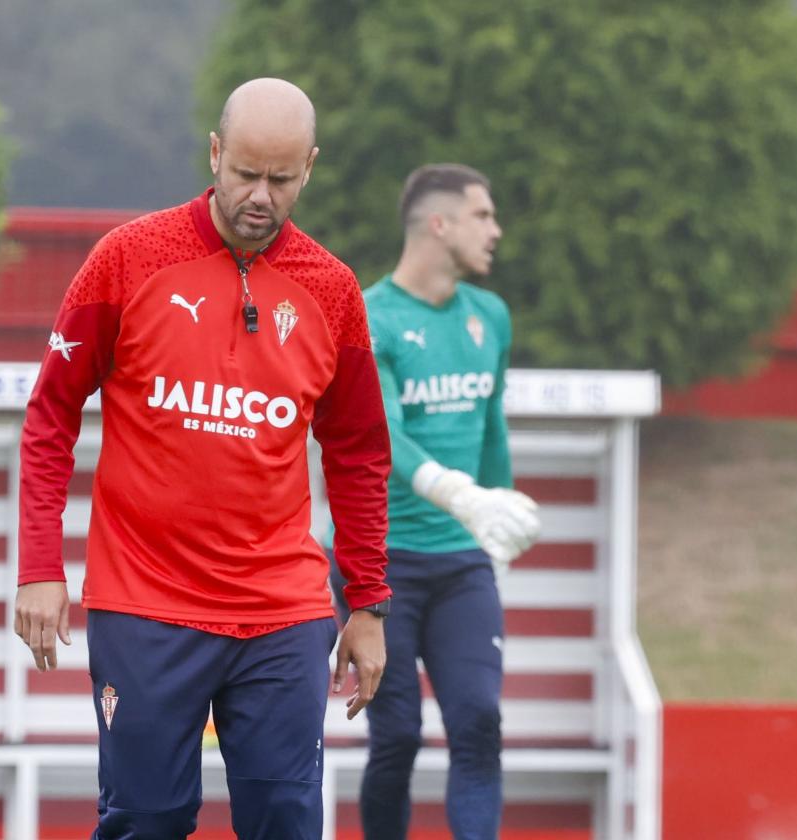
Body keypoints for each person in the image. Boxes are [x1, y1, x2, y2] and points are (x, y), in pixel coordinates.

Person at [15, 77, 393, 840]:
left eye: (281, 180)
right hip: (145, 604)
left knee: (288, 820)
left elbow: (356, 452)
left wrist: (369, 602)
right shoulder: (126, 260)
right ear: (215, 154)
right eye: (246, 173)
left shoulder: (334, 291)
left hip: (281, 609)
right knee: (146, 820)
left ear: (309, 169)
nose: (261, 195)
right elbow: (51, 413)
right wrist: (38, 567)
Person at [329, 164, 541, 840]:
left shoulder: (490, 317)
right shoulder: (369, 313)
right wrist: (458, 495)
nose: (496, 231)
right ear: (439, 223)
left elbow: (491, 425)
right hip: (379, 565)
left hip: (461, 563)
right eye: (484, 216)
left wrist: (495, 516)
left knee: (479, 721)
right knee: (397, 737)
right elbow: (382, 431)